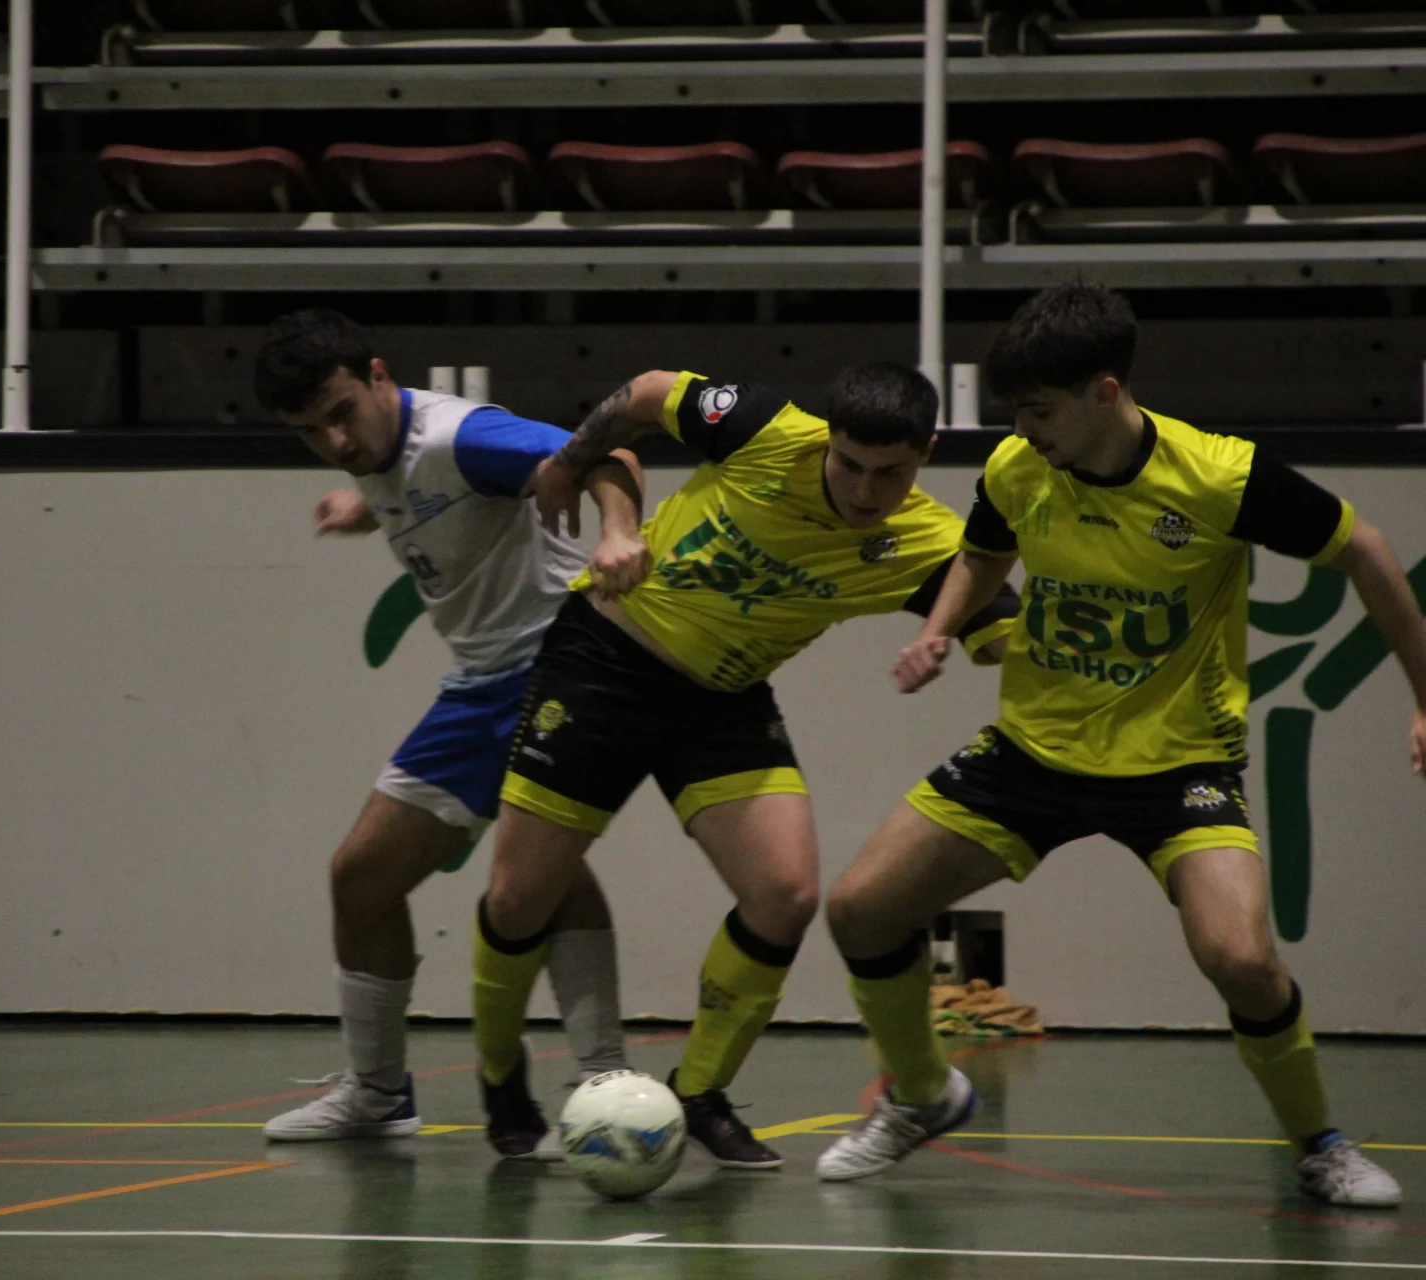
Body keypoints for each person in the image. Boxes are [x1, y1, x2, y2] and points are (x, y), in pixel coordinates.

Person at [816, 284, 1425, 1209]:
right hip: (1033, 751)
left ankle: (1321, 1144)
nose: (1021, 430)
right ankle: (923, 1095)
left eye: (1038, 411)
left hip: (1179, 766)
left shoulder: (1218, 478)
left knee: (1244, 962)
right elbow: (983, 552)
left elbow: (1367, 549)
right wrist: (939, 630)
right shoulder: (1021, 466)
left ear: (1104, 393)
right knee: (861, 910)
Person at [471, 361, 1020, 1165]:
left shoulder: (932, 546)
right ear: (827, 440)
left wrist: (983, 644)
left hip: (722, 701)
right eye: (850, 464)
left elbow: (1005, 632)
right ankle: (499, 1076)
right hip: (604, 662)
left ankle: (698, 1093)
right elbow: (648, 392)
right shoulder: (765, 430)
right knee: (519, 899)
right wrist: (572, 466)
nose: (865, 490)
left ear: (927, 453)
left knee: (785, 893)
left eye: (890, 473)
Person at [252, 309, 649, 1153]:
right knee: (364, 879)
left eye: (341, 413)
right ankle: (380, 1094)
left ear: (379, 375)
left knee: (540, 873)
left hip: (559, 663)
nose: (334, 440)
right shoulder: (380, 451)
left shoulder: (462, 436)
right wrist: (364, 509)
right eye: (309, 431)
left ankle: (602, 1085)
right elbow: (421, 492)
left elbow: (605, 452)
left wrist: (620, 529)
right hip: (482, 687)